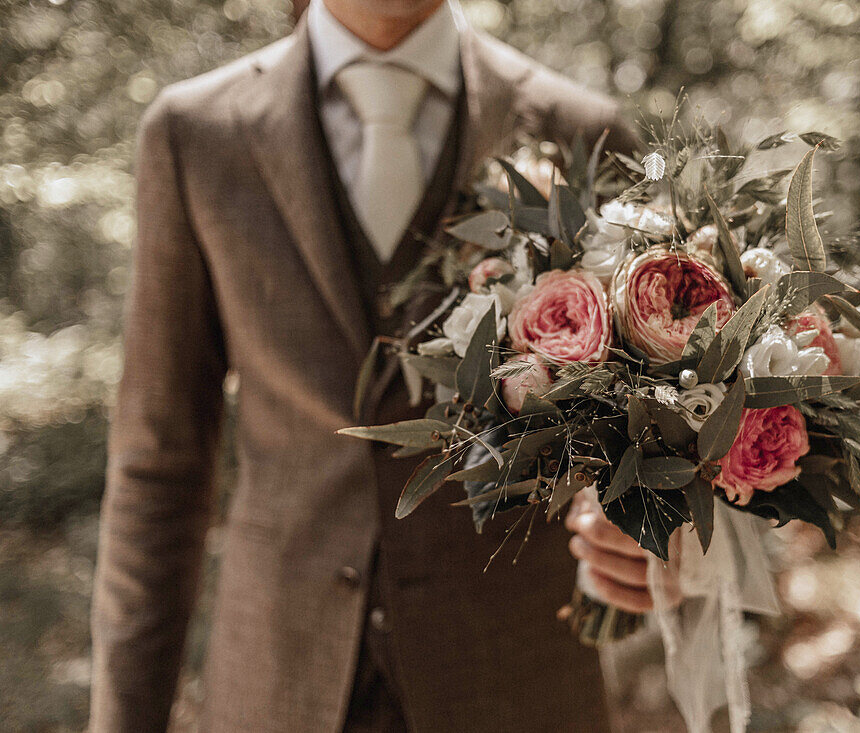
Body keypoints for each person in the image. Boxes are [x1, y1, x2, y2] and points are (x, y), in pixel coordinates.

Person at [89, 0, 653, 730]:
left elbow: (649, 430)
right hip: (278, 684)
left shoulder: (582, 131)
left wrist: (649, 541)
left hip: (517, 682)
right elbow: (158, 466)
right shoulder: (194, 135)